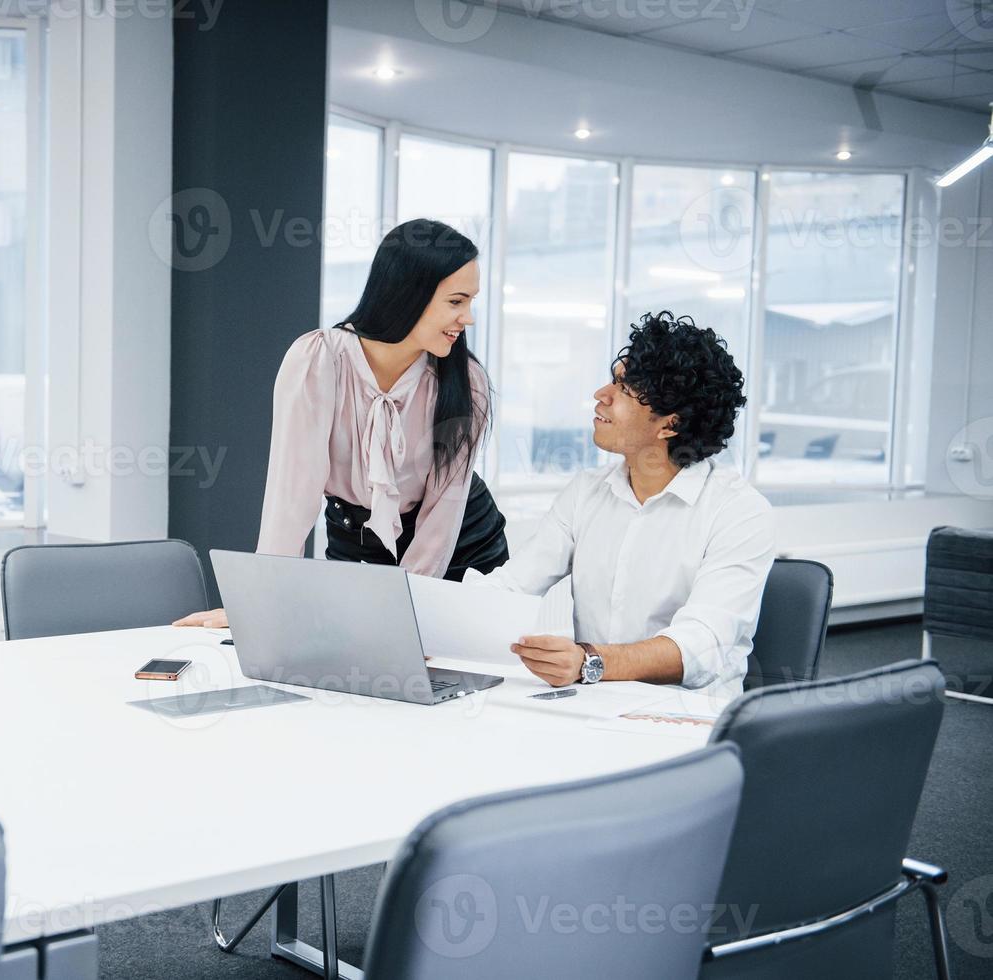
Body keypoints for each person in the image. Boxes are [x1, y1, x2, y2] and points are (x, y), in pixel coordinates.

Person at [175, 218, 509, 629]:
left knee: (441, 672)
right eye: (457, 302)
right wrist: (262, 603)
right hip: (356, 535)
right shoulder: (320, 360)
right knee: (350, 663)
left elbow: (444, 511)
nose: (468, 318)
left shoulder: (465, 381)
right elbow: (292, 495)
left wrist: (406, 610)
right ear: (410, 292)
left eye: (471, 302)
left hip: (460, 546)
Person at [473, 311, 773, 699]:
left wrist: (588, 662)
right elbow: (513, 585)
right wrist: (434, 627)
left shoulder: (739, 512)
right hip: (593, 710)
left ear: (670, 425)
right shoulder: (586, 491)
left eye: (624, 388)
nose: (602, 394)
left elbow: (700, 644)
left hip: (687, 722)